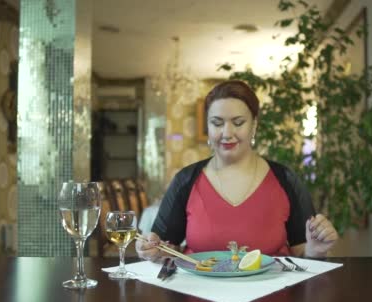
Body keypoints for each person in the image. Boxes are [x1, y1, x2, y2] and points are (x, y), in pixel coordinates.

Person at [136, 80, 337, 261]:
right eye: (217, 123)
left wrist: (315, 250)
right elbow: (163, 247)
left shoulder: (285, 179)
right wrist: (150, 249)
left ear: (254, 126)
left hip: (272, 296)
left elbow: (302, 251)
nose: (227, 133)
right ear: (208, 127)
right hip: (199, 294)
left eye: (238, 123)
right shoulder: (186, 180)